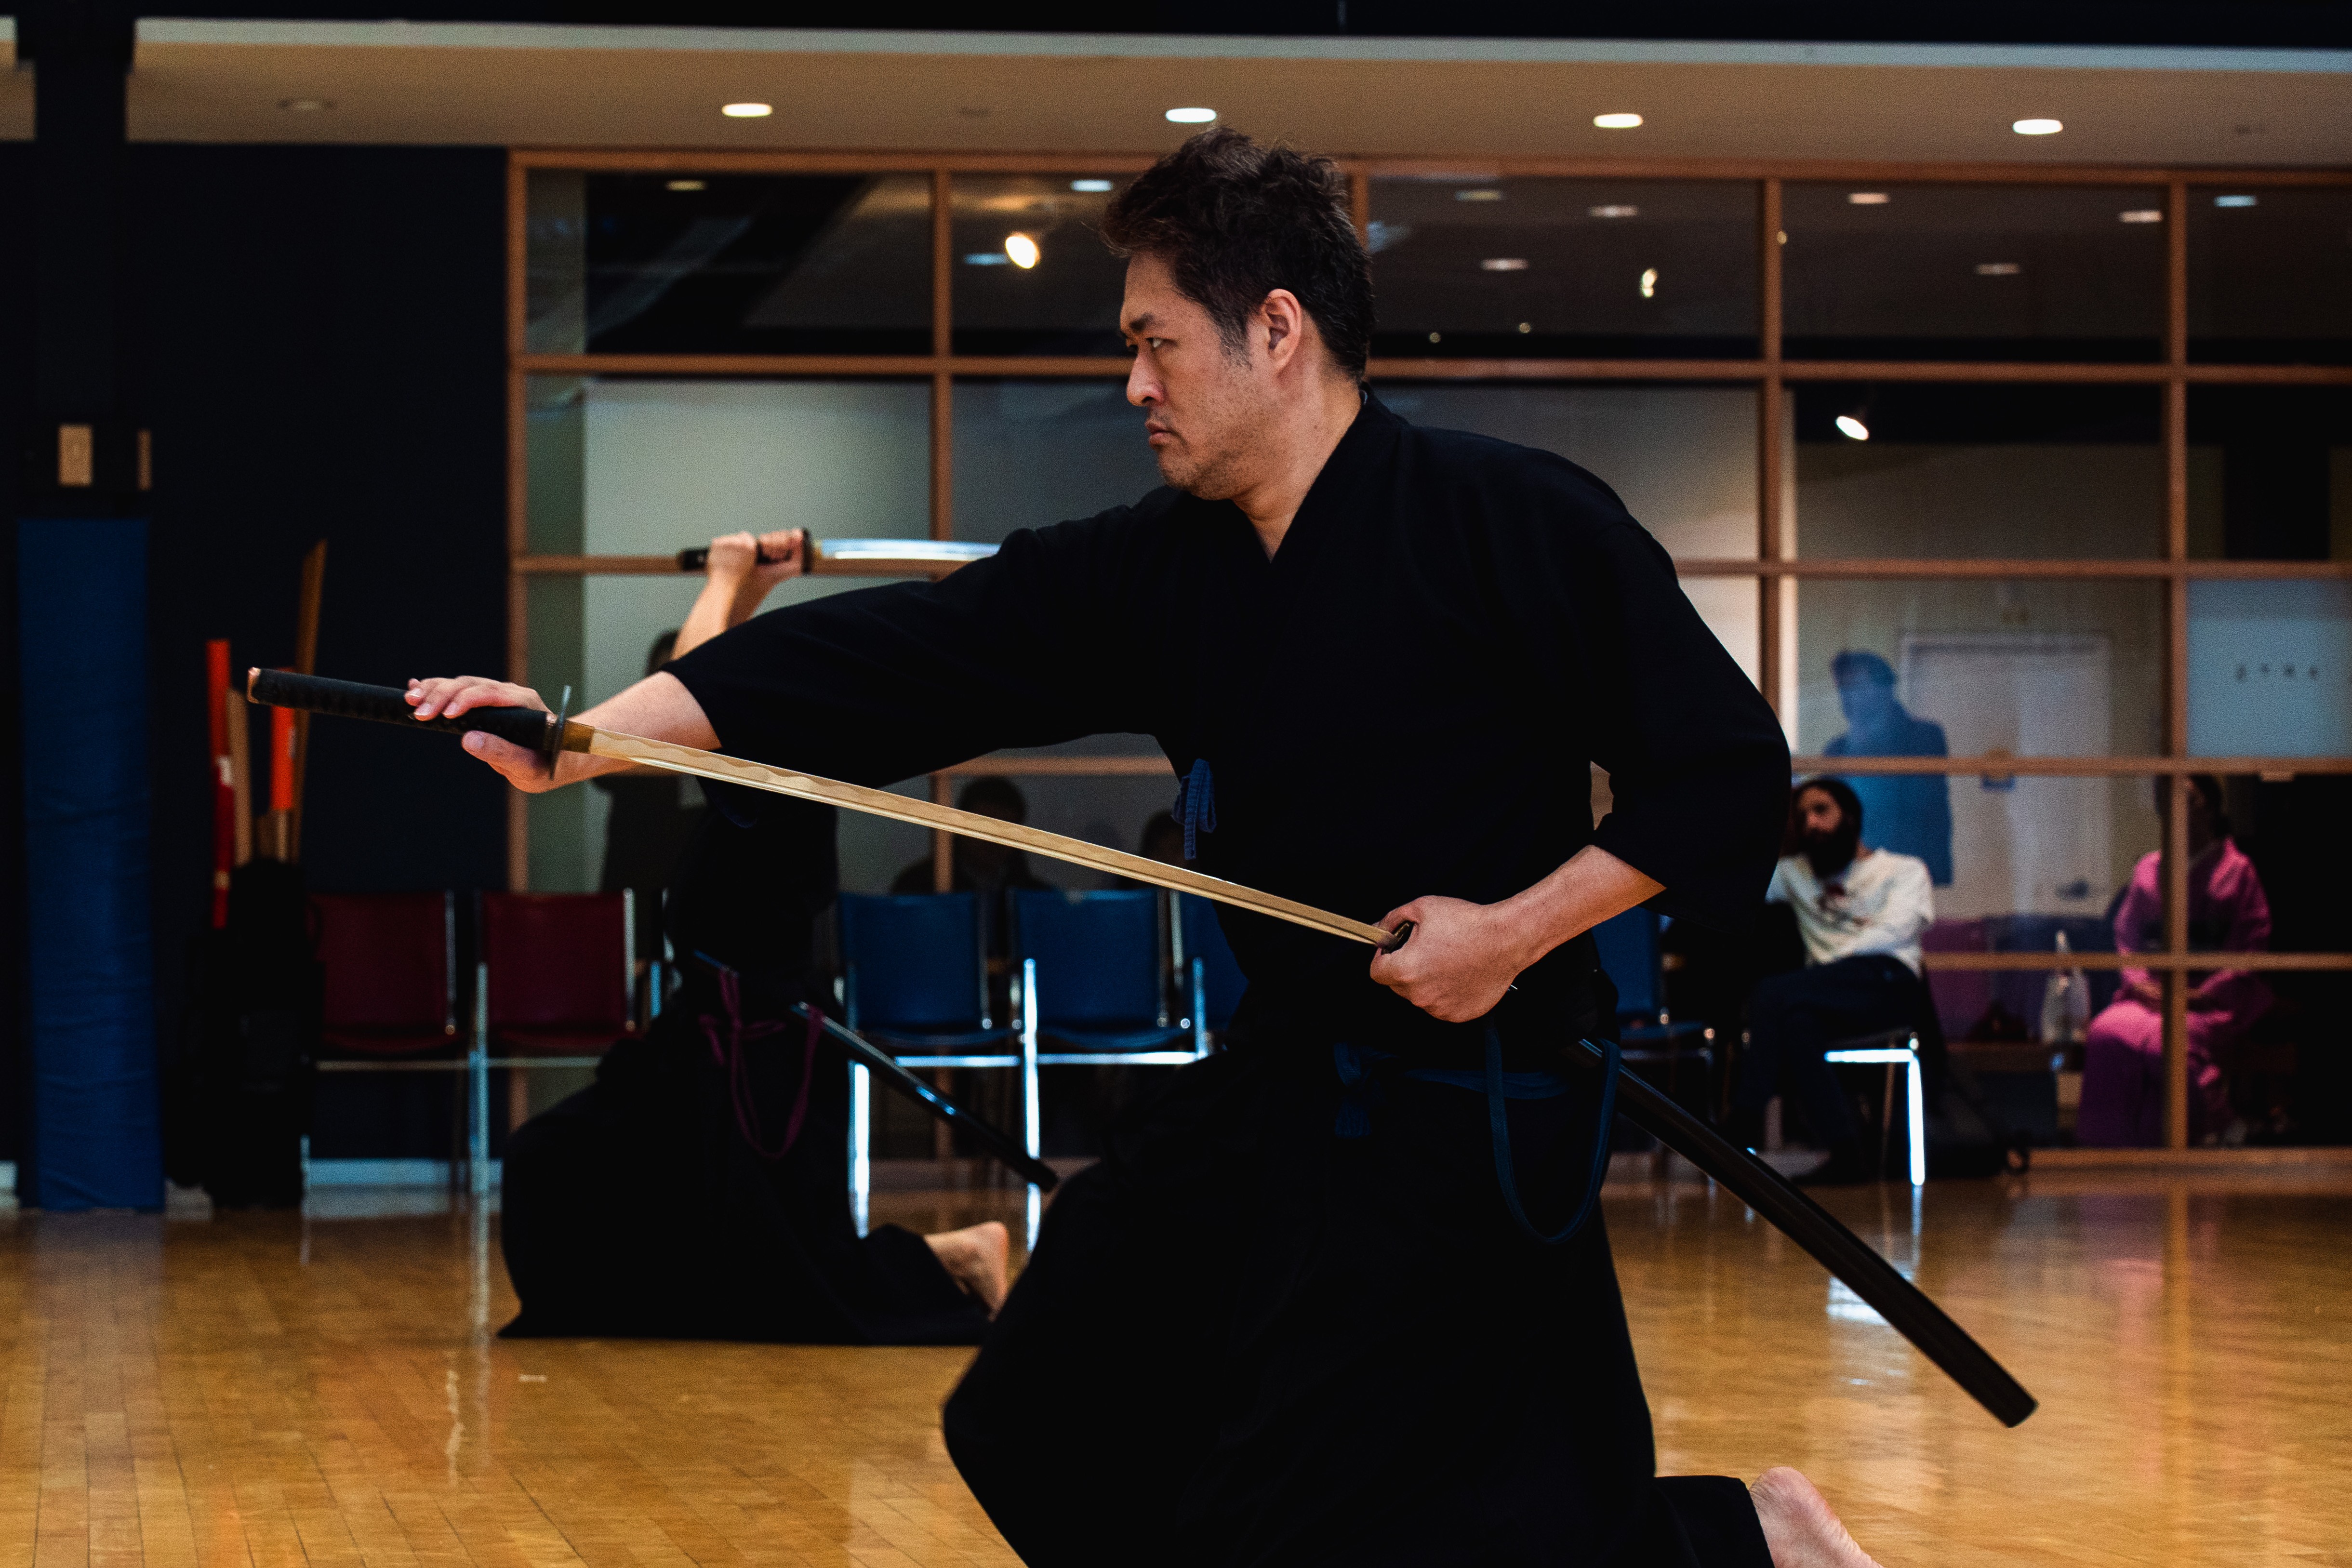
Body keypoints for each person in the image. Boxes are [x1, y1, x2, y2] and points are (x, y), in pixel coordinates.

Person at [411, 131, 1882, 1568]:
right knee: (1038, 1416)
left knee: (1359, 1518)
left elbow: (1723, 779)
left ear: (1277, 332)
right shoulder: (1164, 566)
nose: (1131, 383)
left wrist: (1511, 930)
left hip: (1473, 1104)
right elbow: (910, 655)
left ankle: (1727, 1538)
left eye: (1155, 343)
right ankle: (1731, 1540)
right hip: (1282, 1080)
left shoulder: (1511, 522)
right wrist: (590, 730)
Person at [498, 527, 1010, 1343]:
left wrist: (728, 575)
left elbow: (711, 683)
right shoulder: (759, 743)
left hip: (765, 1039)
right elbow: (722, 679)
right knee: (554, 1159)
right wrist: (752, 587)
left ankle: (952, 1257)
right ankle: (948, 1251)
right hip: (700, 1025)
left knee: (785, 1275)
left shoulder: (782, 747)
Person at [1740, 777, 1935, 1187]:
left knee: (1773, 994)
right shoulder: (1794, 874)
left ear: (1849, 817)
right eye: (1802, 816)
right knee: (1796, 1026)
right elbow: (1736, 889)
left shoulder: (1903, 870)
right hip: (1826, 994)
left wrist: (1828, 968)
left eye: (1821, 811)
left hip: (1887, 981)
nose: (1811, 823)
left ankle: (1745, 1118)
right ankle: (1847, 1153)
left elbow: (1895, 931)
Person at [2077, 775, 2271, 1147]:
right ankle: (2110, 1150)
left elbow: (2251, 942)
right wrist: (2138, 983)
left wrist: (2205, 993)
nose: (2177, 811)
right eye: (2168, 802)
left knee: (2168, 1042)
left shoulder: (2238, 871)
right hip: (2151, 994)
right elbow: (2128, 936)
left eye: (2189, 801)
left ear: (2211, 808)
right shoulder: (2149, 869)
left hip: (2210, 999)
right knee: (2106, 1032)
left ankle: (2210, 1125)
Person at [593, 629, 704, 958]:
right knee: (632, 950)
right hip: (638, 858)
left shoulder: (716, 724)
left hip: (695, 866)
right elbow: (598, 774)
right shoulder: (634, 721)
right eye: (666, 670)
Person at [1823, 650, 1953, 886]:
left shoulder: (1924, 737)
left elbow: (1922, 805)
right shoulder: (1837, 749)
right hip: (1852, 873)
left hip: (1913, 870)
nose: (1848, 697)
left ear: (1885, 689)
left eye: (1858, 686)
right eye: (1843, 689)